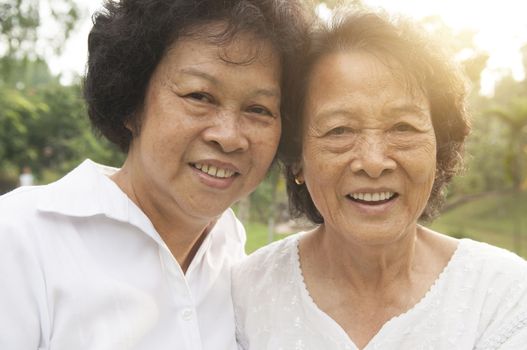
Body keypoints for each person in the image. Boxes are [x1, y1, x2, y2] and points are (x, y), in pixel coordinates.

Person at [0, 0, 309, 349]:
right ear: (132, 102)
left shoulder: (232, 249)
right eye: (199, 95)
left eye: (258, 109)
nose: (229, 136)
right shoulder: (20, 240)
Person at [232, 9, 527, 350]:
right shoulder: (244, 297)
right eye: (339, 130)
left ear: (439, 148)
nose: (373, 162)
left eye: (403, 128)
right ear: (298, 158)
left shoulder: (503, 297)